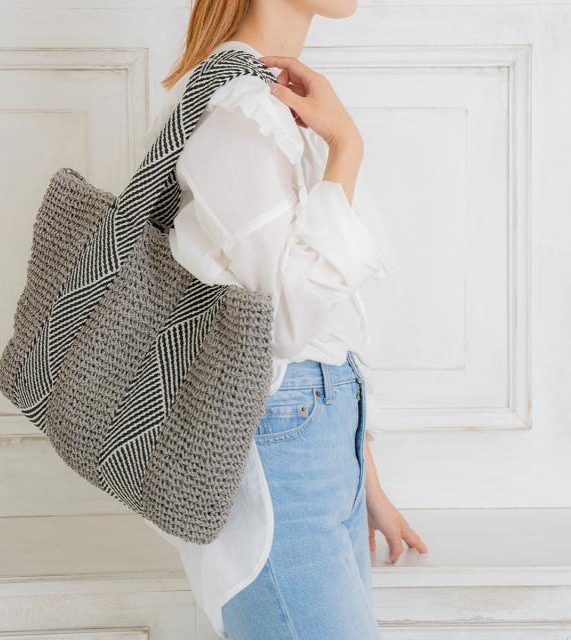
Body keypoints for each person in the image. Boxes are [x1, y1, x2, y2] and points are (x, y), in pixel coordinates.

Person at [140, 1, 429, 638]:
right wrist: (347, 147)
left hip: (319, 450)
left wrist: (364, 481)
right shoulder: (239, 110)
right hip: (283, 460)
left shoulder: (273, 100)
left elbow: (328, 328)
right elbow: (285, 323)